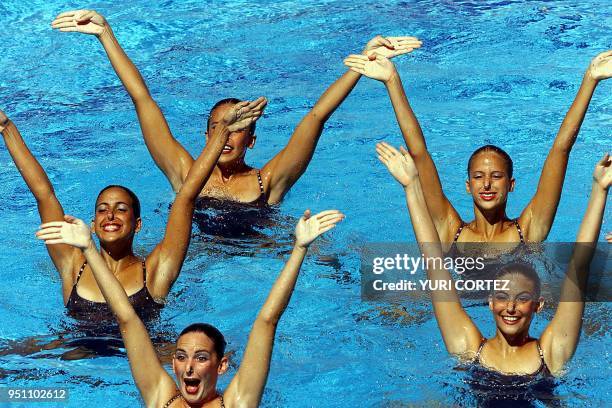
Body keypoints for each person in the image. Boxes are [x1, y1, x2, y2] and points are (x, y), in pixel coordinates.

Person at [51, 9, 422, 205]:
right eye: (219, 126)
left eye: (237, 127)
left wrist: (362, 63)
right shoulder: (185, 172)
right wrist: (106, 34)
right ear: (207, 133)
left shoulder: (268, 180)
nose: (226, 135)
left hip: (261, 260)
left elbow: (316, 118)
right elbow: (143, 100)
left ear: (252, 142)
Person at [36, 208, 344, 407]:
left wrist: (299, 249)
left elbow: (267, 320)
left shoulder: (238, 402)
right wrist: (90, 248)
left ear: (222, 366)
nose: (190, 367)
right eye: (181, 357)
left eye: (200, 357)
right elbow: (127, 319)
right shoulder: (160, 398)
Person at [0, 99, 264, 319]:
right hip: (76, 351)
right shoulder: (72, 264)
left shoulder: (157, 270)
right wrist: (7, 128)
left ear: (138, 224)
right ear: (92, 225)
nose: (110, 215)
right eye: (102, 210)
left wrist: (221, 134)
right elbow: (44, 193)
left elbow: (186, 197)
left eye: (121, 209)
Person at [377, 142, 609, 382]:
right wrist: (412, 186)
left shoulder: (551, 354)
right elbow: (434, 263)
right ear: (490, 302)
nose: (510, 307)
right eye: (502, 297)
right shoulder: (467, 348)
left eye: (522, 298)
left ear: (538, 305)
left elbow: (578, 267)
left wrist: (599, 190)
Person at [346, 50, 612, 245]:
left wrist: (590, 79)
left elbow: (560, 150)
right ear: (467, 185)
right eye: (478, 177)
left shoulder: (530, 229)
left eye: (496, 176)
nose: (486, 184)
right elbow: (419, 153)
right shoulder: (449, 230)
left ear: (511, 184)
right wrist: (392, 81)